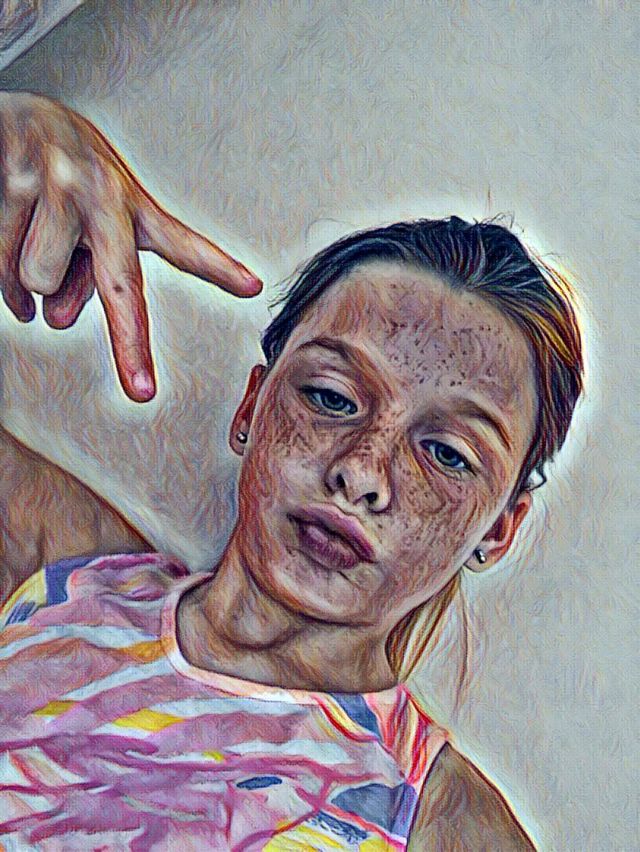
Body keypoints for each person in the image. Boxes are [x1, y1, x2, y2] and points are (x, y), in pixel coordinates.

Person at [0, 93, 583, 850]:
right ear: (252, 406)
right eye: (331, 397)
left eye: (446, 453)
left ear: (498, 530)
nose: (362, 472)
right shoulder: (54, 572)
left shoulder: (447, 826)